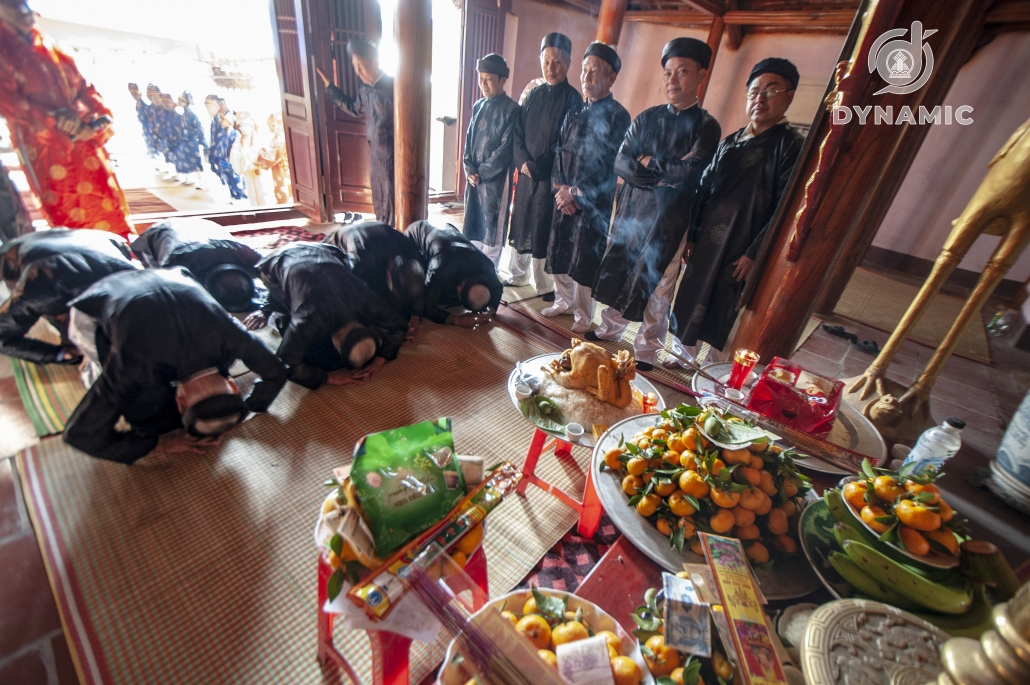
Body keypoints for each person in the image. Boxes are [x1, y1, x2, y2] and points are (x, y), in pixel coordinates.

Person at [62, 268, 288, 464]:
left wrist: (249, 407)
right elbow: (80, 434)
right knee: (136, 403)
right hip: (98, 299)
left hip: (171, 277)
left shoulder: (232, 336)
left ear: (233, 384)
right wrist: (159, 443)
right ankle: (88, 367)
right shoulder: (133, 366)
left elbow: (276, 371)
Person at [589, 37, 722, 371]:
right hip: (633, 210)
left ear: (701, 76)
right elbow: (621, 161)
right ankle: (610, 327)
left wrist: (647, 161)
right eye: (667, 73)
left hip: (671, 218)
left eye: (682, 72)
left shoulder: (708, 127)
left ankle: (646, 349)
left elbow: (690, 171)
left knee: (658, 283)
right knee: (622, 268)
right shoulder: (647, 117)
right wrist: (658, 177)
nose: (672, 80)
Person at [670, 58, 805, 363]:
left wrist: (756, 251)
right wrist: (692, 235)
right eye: (755, 91)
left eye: (771, 91)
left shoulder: (791, 146)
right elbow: (703, 190)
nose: (760, 99)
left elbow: (786, 207)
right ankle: (682, 355)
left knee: (727, 305)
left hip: (743, 242)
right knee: (692, 294)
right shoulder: (730, 141)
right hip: (707, 239)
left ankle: (713, 368)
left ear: (789, 96)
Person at [0, 0, 132, 237]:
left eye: (23, 3)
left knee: (108, 211)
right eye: (11, 4)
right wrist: (56, 120)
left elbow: (87, 89)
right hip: (48, 150)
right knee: (71, 223)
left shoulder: (54, 50)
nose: (22, 11)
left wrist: (91, 120)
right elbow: (8, 102)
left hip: (87, 145)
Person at [543, 42, 631, 334]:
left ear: (611, 78)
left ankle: (583, 314)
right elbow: (560, 153)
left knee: (584, 258)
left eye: (594, 71)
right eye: (584, 70)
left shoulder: (619, 116)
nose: (587, 77)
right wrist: (561, 189)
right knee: (560, 251)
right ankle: (562, 300)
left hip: (592, 202)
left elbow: (609, 164)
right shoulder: (575, 112)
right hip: (565, 196)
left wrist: (577, 193)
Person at [245, 242, 408, 390]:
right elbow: (285, 361)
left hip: (324, 250)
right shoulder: (310, 317)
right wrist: (326, 377)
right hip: (274, 262)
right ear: (336, 342)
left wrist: (381, 358)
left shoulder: (367, 300)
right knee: (290, 319)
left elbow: (399, 326)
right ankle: (268, 308)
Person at [506, 33, 581, 296]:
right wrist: (523, 162)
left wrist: (537, 167)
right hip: (527, 174)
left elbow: (566, 144)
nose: (551, 68)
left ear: (569, 63)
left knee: (542, 226)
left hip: (550, 177)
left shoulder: (573, 100)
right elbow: (517, 132)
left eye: (557, 62)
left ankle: (544, 286)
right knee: (522, 221)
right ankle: (517, 274)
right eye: (546, 61)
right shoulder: (533, 95)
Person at [0, 228, 137, 364]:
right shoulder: (38, 293)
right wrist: (59, 354)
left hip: (95, 240)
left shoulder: (139, 284)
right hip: (18, 256)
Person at [316, 40, 394, 226]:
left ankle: (395, 238)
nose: (357, 72)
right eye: (354, 67)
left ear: (375, 61)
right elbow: (353, 108)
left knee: (392, 197)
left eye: (360, 66)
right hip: (376, 153)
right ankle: (382, 231)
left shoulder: (394, 87)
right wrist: (330, 87)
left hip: (393, 155)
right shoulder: (364, 90)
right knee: (379, 196)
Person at [462, 53, 520, 267]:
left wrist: (482, 172)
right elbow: (468, 142)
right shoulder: (478, 106)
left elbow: (506, 150)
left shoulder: (512, 109)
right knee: (473, 228)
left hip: (495, 181)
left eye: (488, 79)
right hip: (474, 180)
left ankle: (489, 281)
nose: (483, 84)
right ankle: (474, 277)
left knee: (492, 229)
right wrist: (469, 170)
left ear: (502, 80)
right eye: (480, 78)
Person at [130, 218, 261, 312]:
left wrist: (265, 309)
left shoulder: (250, 257)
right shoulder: (176, 268)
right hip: (158, 233)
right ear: (206, 287)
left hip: (206, 226)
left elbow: (273, 279)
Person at [405, 220, 502, 328]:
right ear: (459, 289)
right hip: (414, 239)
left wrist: (490, 311)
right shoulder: (441, 268)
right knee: (415, 290)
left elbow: (498, 287)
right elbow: (427, 305)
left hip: (446, 231)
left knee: (443, 295)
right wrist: (456, 319)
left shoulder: (486, 265)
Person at [322, 221, 426, 323]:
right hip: (339, 240)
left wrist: (416, 314)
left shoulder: (408, 247)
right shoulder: (360, 263)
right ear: (389, 272)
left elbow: (417, 281)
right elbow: (360, 297)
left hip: (376, 235)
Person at [206, 95, 246, 201]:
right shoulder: (216, 121)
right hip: (221, 156)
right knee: (228, 178)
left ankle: (239, 196)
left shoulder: (233, 132)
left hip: (229, 158)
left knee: (235, 177)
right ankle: (234, 195)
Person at [176, 91, 208, 189]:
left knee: (196, 162)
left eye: (181, 101)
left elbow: (198, 129)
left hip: (192, 142)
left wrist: (189, 134)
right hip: (185, 142)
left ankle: (202, 182)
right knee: (184, 160)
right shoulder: (184, 114)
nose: (179, 102)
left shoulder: (192, 115)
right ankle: (189, 178)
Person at [128, 83, 160, 162]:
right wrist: (138, 99)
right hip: (150, 137)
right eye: (151, 96)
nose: (154, 98)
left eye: (155, 95)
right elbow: (142, 114)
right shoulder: (148, 108)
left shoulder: (165, 108)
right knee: (155, 159)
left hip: (164, 138)